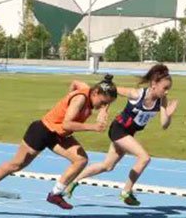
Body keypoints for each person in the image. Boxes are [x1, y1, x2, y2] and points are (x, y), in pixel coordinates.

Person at [0, 75, 119, 210]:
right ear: (95, 93)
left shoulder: (89, 90)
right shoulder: (80, 99)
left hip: (58, 136)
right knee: (16, 165)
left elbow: (75, 82)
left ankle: (55, 194)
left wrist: (101, 109)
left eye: (107, 104)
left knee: (80, 160)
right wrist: (92, 126)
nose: (102, 106)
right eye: (103, 103)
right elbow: (67, 124)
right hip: (42, 131)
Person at [66, 64, 177, 205]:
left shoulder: (162, 101)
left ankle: (73, 182)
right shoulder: (137, 94)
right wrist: (103, 109)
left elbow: (164, 125)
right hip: (118, 129)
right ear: (154, 84)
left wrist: (168, 114)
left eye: (169, 89)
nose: (167, 92)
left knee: (107, 166)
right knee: (144, 158)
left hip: (129, 133)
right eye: (165, 88)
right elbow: (110, 91)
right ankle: (126, 192)